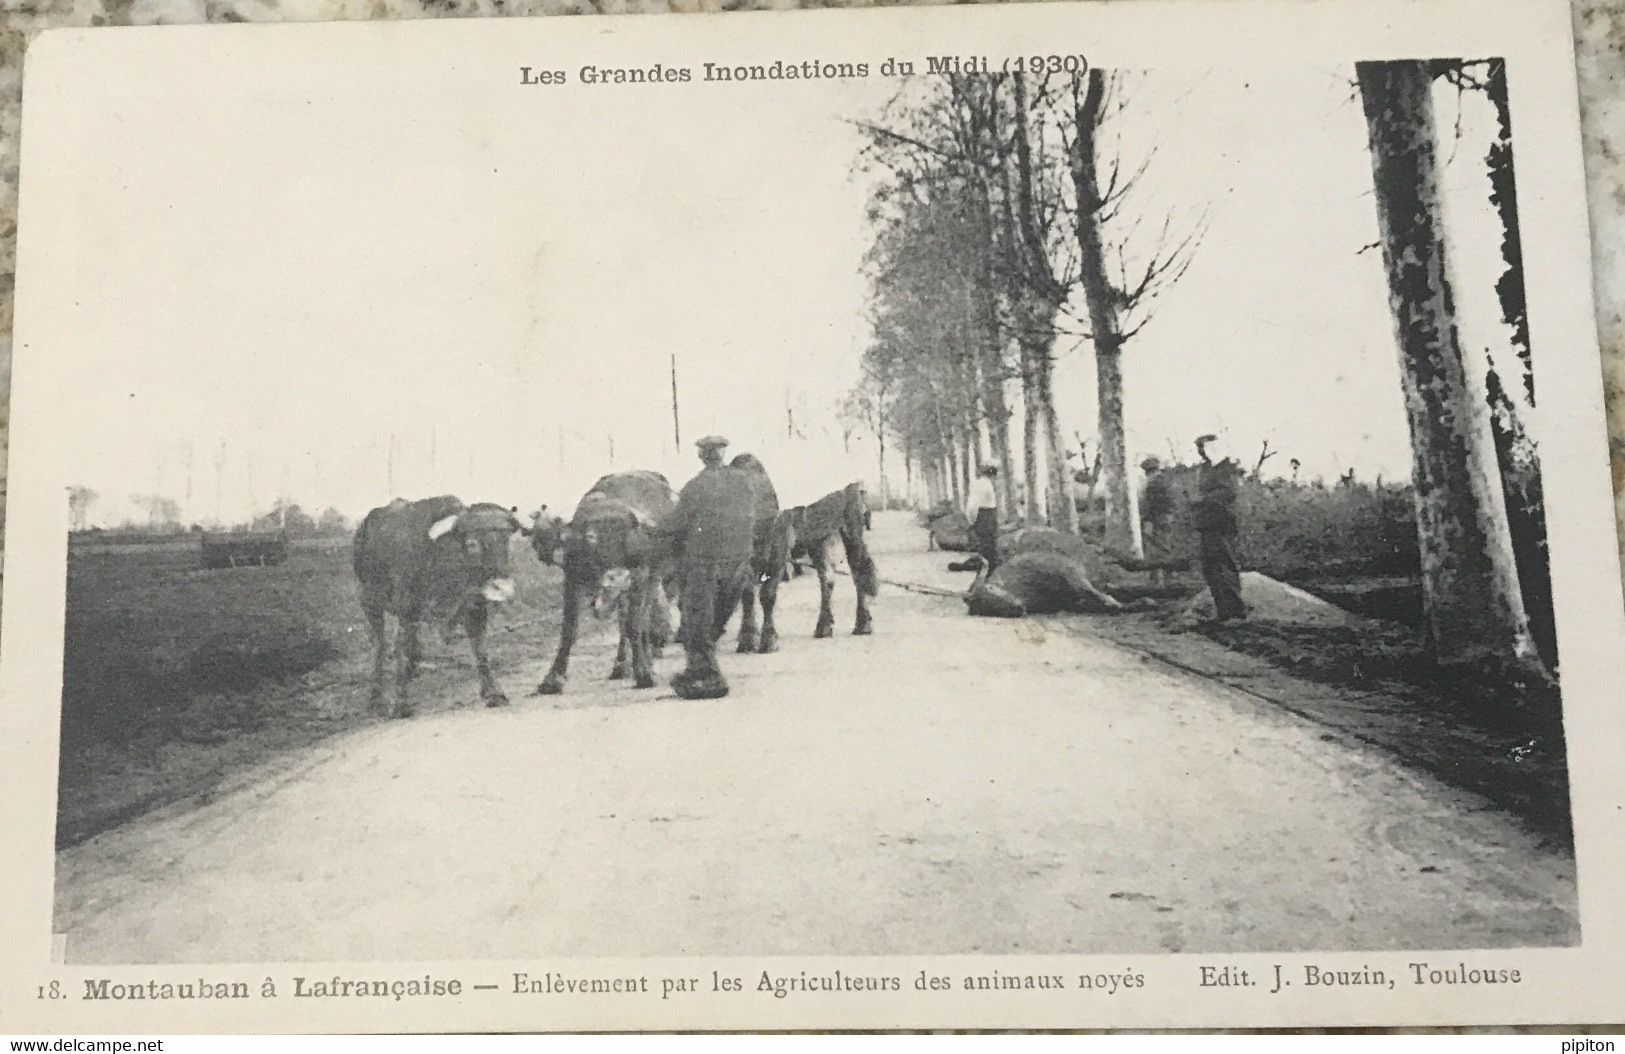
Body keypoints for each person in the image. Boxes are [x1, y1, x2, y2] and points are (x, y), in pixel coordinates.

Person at [654, 434, 757, 699]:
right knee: (716, 621)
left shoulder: (695, 486)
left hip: (704, 565)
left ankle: (708, 677)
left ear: (701, 455)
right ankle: (699, 670)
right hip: (737, 566)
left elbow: (677, 522)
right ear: (723, 453)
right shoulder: (743, 482)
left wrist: (654, 528)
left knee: (696, 622)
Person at [1190, 434, 1248, 622]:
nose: (1200, 451)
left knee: (1224, 565)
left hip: (1220, 523)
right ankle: (1223, 611)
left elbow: (1228, 492)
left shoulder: (1225, 468)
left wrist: (1203, 499)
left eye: (1203, 447)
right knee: (1211, 568)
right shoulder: (1207, 468)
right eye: (1199, 448)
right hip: (1207, 523)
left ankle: (1235, 612)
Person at [1138, 456, 1174, 586]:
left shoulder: (1154, 483)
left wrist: (1148, 521)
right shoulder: (1164, 481)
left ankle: (1160, 581)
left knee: (1158, 548)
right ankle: (1164, 579)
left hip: (1157, 519)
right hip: (1164, 517)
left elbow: (1150, 504)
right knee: (1163, 547)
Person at [966, 464, 1001, 574]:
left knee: (986, 548)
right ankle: (987, 576)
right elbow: (973, 505)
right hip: (985, 516)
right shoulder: (982, 485)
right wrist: (973, 520)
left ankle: (987, 574)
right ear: (992, 475)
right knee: (988, 549)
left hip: (985, 516)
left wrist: (971, 520)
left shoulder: (981, 484)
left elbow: (971, 507)